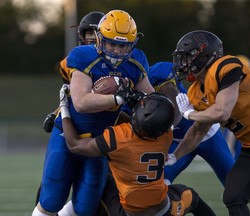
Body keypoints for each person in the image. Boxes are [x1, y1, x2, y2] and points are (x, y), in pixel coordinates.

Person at [33, 10, 154, 216]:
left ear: (132, 44)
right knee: (51, 198)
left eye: (122, 45)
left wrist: (149, 103)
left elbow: (150, 100)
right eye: (111, 43)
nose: (116, 50)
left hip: (100, 141)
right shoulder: (83, 56)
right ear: (100, 39)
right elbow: (80, 102)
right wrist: (118, 99)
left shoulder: (136, 62)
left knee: (86, 206)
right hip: (68, 132)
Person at [166, 30, 250, 216]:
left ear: (204, 54)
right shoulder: (195, 92)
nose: (183, 64)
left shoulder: (226, 66)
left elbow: (222, 112)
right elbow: (198, 132)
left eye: (188, 57)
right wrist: (176, 155)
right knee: (233, 196)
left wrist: (190, 114)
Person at [59, 84, 216, 216]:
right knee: (191, 196)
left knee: (97, 177)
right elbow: (150, 125)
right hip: (165, 210)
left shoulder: (118, 137)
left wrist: (64, 108)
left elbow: (74, 145)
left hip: (127, 213)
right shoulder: (165, 135)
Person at [149, 61, 250, 216]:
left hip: (207, 135)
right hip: (179, 142)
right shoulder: (140, 89)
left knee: (232, 181)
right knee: (159, 182)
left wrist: (166, 127)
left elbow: (176, 112)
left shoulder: (157, 75)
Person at [42, 11, 105, 133]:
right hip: (79, 118)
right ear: (82, 35)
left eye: (98, 33)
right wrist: (55, 113)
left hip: (108, 118)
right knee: (57, 152)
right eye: (90, 33)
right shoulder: (68, 63)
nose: (93, 37)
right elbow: (70, 96)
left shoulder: (116, 62)